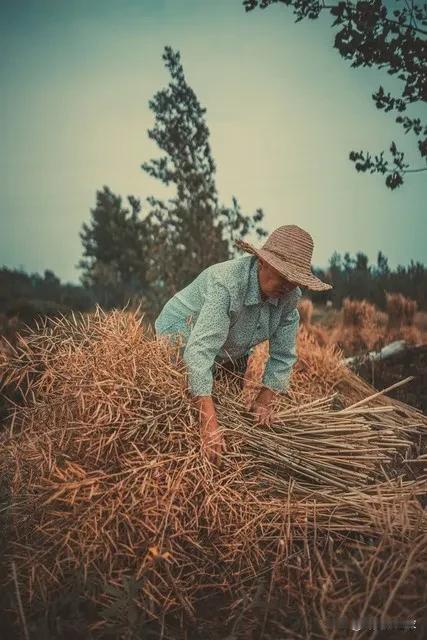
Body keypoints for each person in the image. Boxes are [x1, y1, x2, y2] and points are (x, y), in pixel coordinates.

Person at [155, 224, 332, 462]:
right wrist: (209, 425)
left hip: (231, 345)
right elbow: (198, 352)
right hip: (182, 336)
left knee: (228, 410)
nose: (288, 286)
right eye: (283, 276)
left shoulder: (289, 297)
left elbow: (283, 355)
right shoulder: (227, 284)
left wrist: (264, 401)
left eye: (294, 281)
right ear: (262, 262)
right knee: (186, 409)